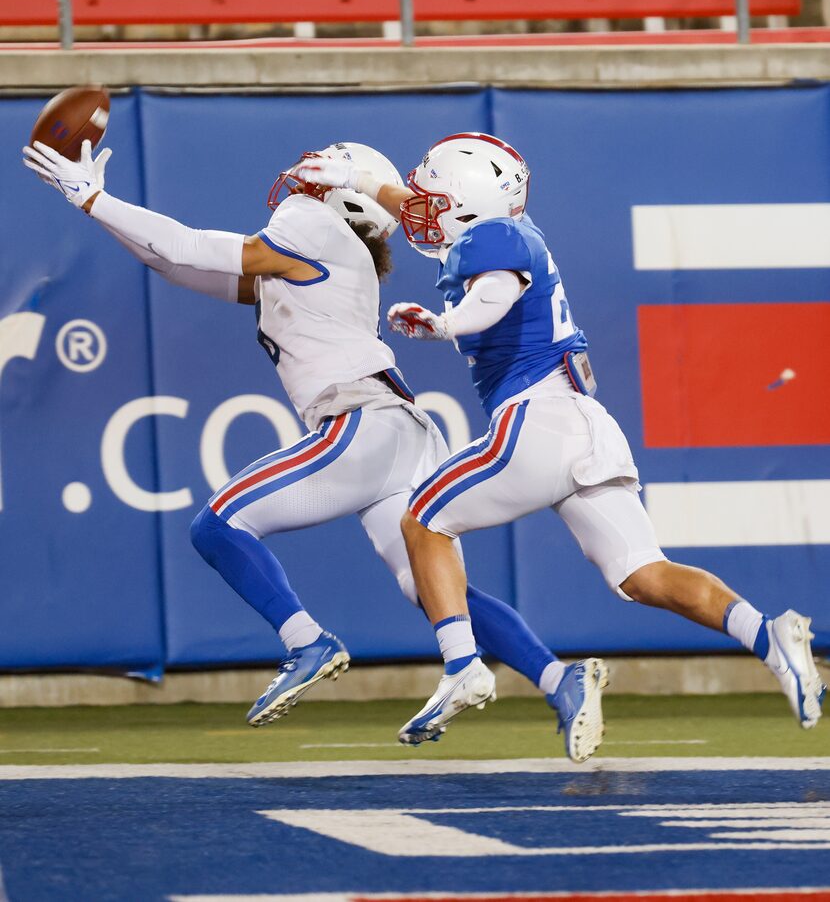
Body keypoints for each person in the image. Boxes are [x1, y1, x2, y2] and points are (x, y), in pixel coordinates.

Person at [23, 137, 608, 762]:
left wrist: (93, 200)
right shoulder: (324, 249)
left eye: (324, 170)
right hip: (398, 427)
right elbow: (173, 264)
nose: (305, 179)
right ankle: (556, 678)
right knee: (429, 589)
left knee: (218, 525)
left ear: (346, 198)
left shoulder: (312, 225)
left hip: (360, 421)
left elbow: (187, 245)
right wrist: (104, 211)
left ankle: (308, 642)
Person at [296, 130, 827, 736]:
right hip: (585, 423)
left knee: (420, 520)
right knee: (642, 574)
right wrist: (357, 182)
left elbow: (494, 294)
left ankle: (463, 664)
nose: (420, 202)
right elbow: (415, 209)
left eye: (434, 192)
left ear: (465, 200)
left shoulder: (494, 239)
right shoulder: (497, 228)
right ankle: (769, 635)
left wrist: (446, 324)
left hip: (535, 419)